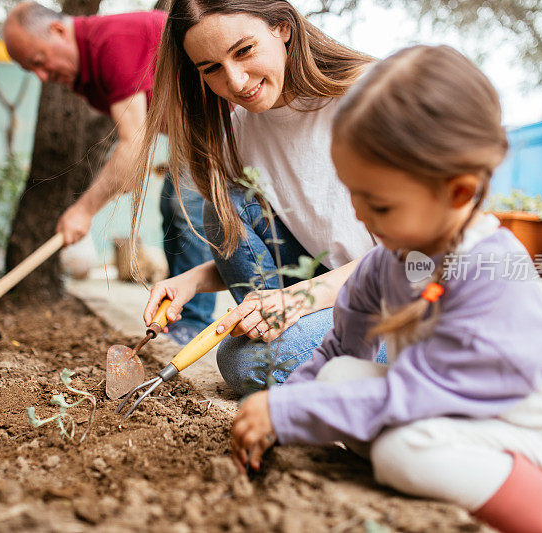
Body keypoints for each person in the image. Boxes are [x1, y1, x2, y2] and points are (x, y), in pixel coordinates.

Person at [230, 45, 542, 533]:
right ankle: (438, 479)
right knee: (337, 379)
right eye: (354, 197)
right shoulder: (387, 262)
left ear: (457, 190)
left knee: (401, 451)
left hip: (541, 452)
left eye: (381, 205)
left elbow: (423, 390)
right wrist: (286, 411)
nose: (363, 218)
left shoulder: (490, 270)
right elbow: (338, 349)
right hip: (456, 420)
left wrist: (288, 410)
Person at [131, 0, 383, 393]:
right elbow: (269, 252)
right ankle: (285, 339)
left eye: (243, 51)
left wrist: (297, 298)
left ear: (282, 27)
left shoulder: (372, 95)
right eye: (211, 68)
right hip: (333, 290)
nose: (235, 81)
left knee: (243, 360)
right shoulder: (242, 127)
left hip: (408, 307)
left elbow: (417, 257)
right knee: (225, 207)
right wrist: (193, 281)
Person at [2, 2, 216, 343]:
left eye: (39, 61)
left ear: (57, 31)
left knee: (185, 208)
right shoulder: (89, 72)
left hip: (220, 122)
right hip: (191, 131)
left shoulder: (110, 42)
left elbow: (132, 142)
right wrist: (126, 173)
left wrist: (83, 210)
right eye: (32, 70)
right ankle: (179, 316)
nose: (42, 77)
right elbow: (141, 127)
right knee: (171, 208)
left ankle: (193, 321)